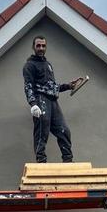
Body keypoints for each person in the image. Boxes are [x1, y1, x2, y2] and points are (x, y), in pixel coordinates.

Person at [23, 35, 82, 163]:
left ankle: (68, 161)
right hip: (40, 100)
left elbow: (51, 86)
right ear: (33, 47)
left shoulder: (48, 64)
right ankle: (41, 162)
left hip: (53, 102)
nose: (41, 48)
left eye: (43, 46)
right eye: (38, 45)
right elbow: (28, 86)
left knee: (64, 130)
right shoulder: (29, 65)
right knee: (42, 132)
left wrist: (68, 86)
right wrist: (33, 104)